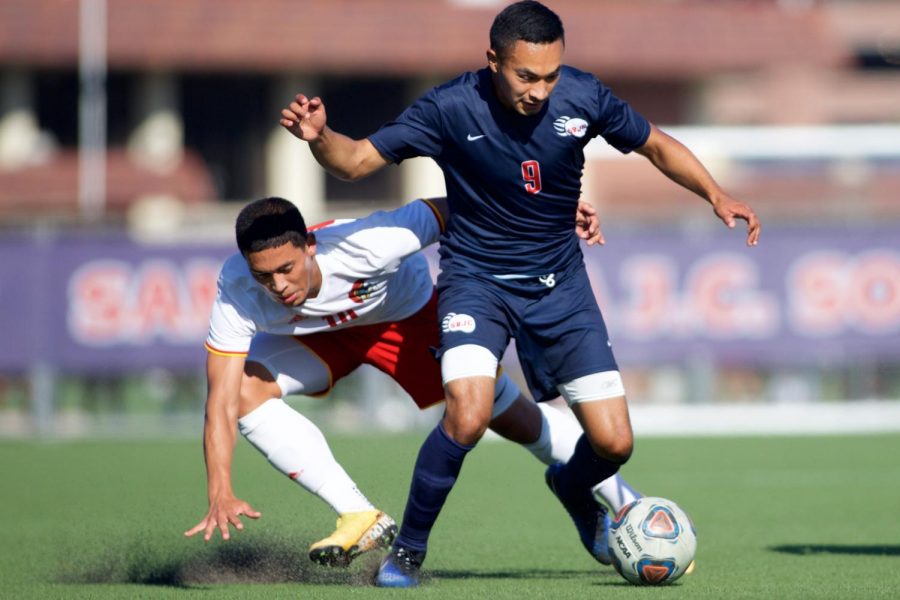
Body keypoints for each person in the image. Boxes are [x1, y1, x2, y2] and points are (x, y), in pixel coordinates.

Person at [280, 0, 760, 586]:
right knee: (468, 416)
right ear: (493, 61)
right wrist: (319, 136)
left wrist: (715, 193)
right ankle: (407, 552)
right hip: (476, 283)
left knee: (615, 443)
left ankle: (568, 484)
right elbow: (355, 162)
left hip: (562, 287)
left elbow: (656, 144)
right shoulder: (449, 106)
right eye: (526, 76)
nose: (540, 90)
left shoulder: (584, 97)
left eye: (551, 75)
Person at [184, 194, 643, 568]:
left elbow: (456, 206)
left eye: (286, 269)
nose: (279, 286)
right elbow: (220, 403)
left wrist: (553, 210)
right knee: (245, 392)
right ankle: (358, 514)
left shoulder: (368, 242)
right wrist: (219, 488)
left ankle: (624, 504)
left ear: (309, 245)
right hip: (320, 339)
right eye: (265, 275)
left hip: (407, 322)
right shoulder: (237, 288)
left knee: (508, 419)